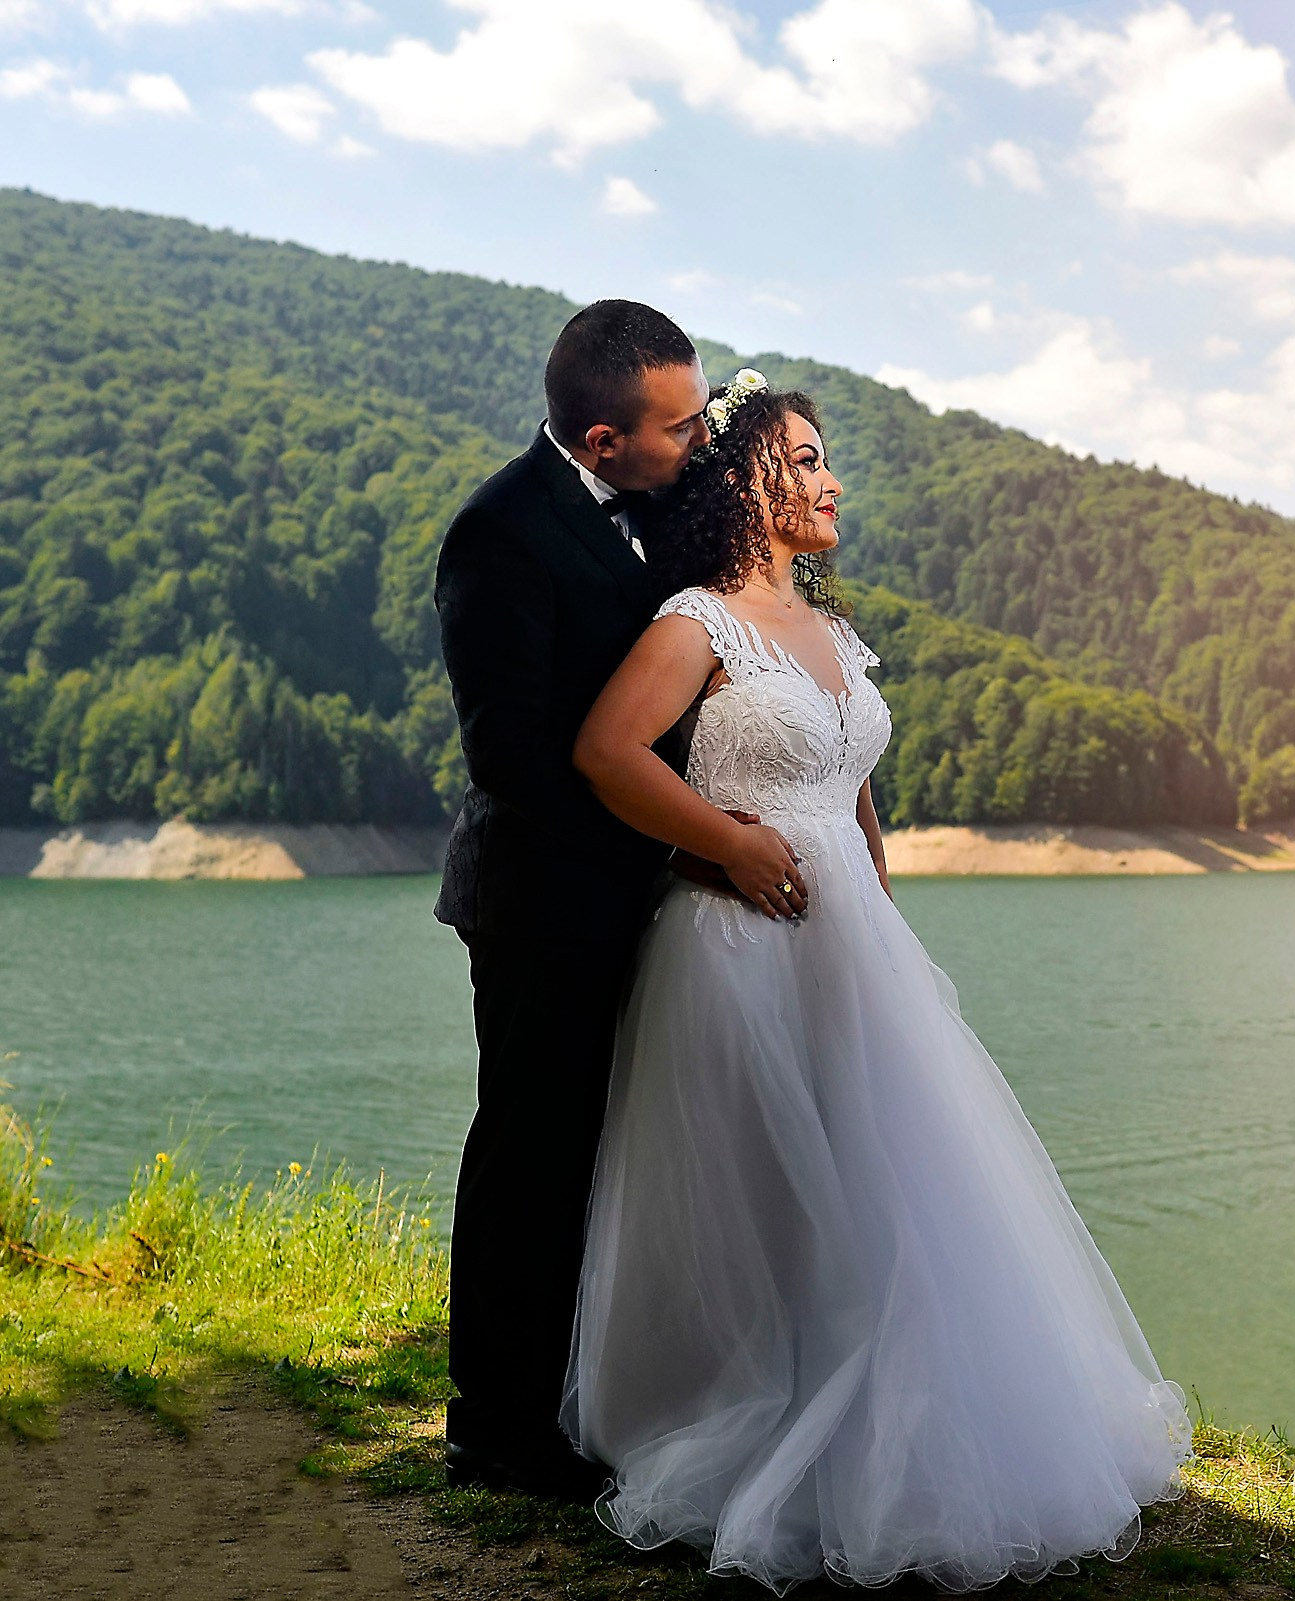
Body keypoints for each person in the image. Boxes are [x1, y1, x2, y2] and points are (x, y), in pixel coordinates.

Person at [563, 373, 1191, 1591]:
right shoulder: (696, 621)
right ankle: (761, 1426)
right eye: (805, 459)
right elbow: (606, 751)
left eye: (824, 458)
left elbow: (853, 799)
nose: (831, 481)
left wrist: (887, 928)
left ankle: (902, 1439)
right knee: (780, 1200)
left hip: (856, 953)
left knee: (889, 1195)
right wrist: (726, 841)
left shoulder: (835, 634)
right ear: (744, 478)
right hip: (739, 948)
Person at [433, 300, 718, 1499]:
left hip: (645, 890)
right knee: (535, 1152)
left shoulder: (664, 496)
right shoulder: (498, 531)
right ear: (602, 441)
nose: (699, 439)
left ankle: (586, 1390)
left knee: (617, 1148)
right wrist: (672, 838)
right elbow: (512, 755)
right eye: (680, 425)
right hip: (543, 899)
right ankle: (495, 1425)